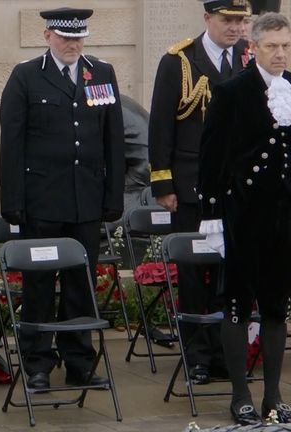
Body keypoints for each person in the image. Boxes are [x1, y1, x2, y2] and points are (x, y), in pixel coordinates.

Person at [0, 7, 124, 392]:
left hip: (84, 199)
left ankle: (79, 361)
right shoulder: (26, 76)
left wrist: (112, 194)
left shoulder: (100, 73)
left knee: (80, 284)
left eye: (78, 37)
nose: (73, 44)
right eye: (65, 37)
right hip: (42, 201)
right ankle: (37, 362)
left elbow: (113, 141)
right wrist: (12, 202)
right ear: (47, 35)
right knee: (38, 285)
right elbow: (12, 143)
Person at [148, 0, 250, 385]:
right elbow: (160, 125)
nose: (236, 28)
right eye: (228, 20)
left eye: (241, 20)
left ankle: (227, 353)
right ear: (208, 19)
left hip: (239, 187)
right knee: (194, 275)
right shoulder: (179, 61)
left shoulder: (248, 57)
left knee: (232, 273)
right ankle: (198, 357)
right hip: (191, 186)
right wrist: (163, 183)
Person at [199, 11, 291, 426]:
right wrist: (212, 216)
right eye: (272, 46)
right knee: (237, 306)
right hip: (243, 215)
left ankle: (273, 396)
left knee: (275, 309)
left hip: (285, 217)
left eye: (286, 46)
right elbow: (211, 159)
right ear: (252, 48)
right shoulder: (232, 92)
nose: (280, 53)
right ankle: (241, 396)